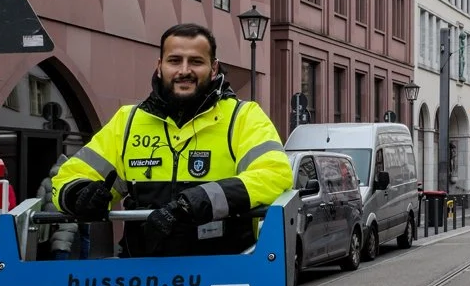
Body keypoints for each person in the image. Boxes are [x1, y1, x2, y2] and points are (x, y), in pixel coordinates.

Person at [52, 23, 294, 256]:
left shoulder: (243, 117)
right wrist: (79, 196)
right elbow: (69, 176)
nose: (184, 70)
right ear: (160, 66)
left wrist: (198, 201)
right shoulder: (128, 121)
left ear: (214, 68)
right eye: (174, 60)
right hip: (144, 277)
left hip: (226, 272)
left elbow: (275, 174)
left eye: (196, 61)